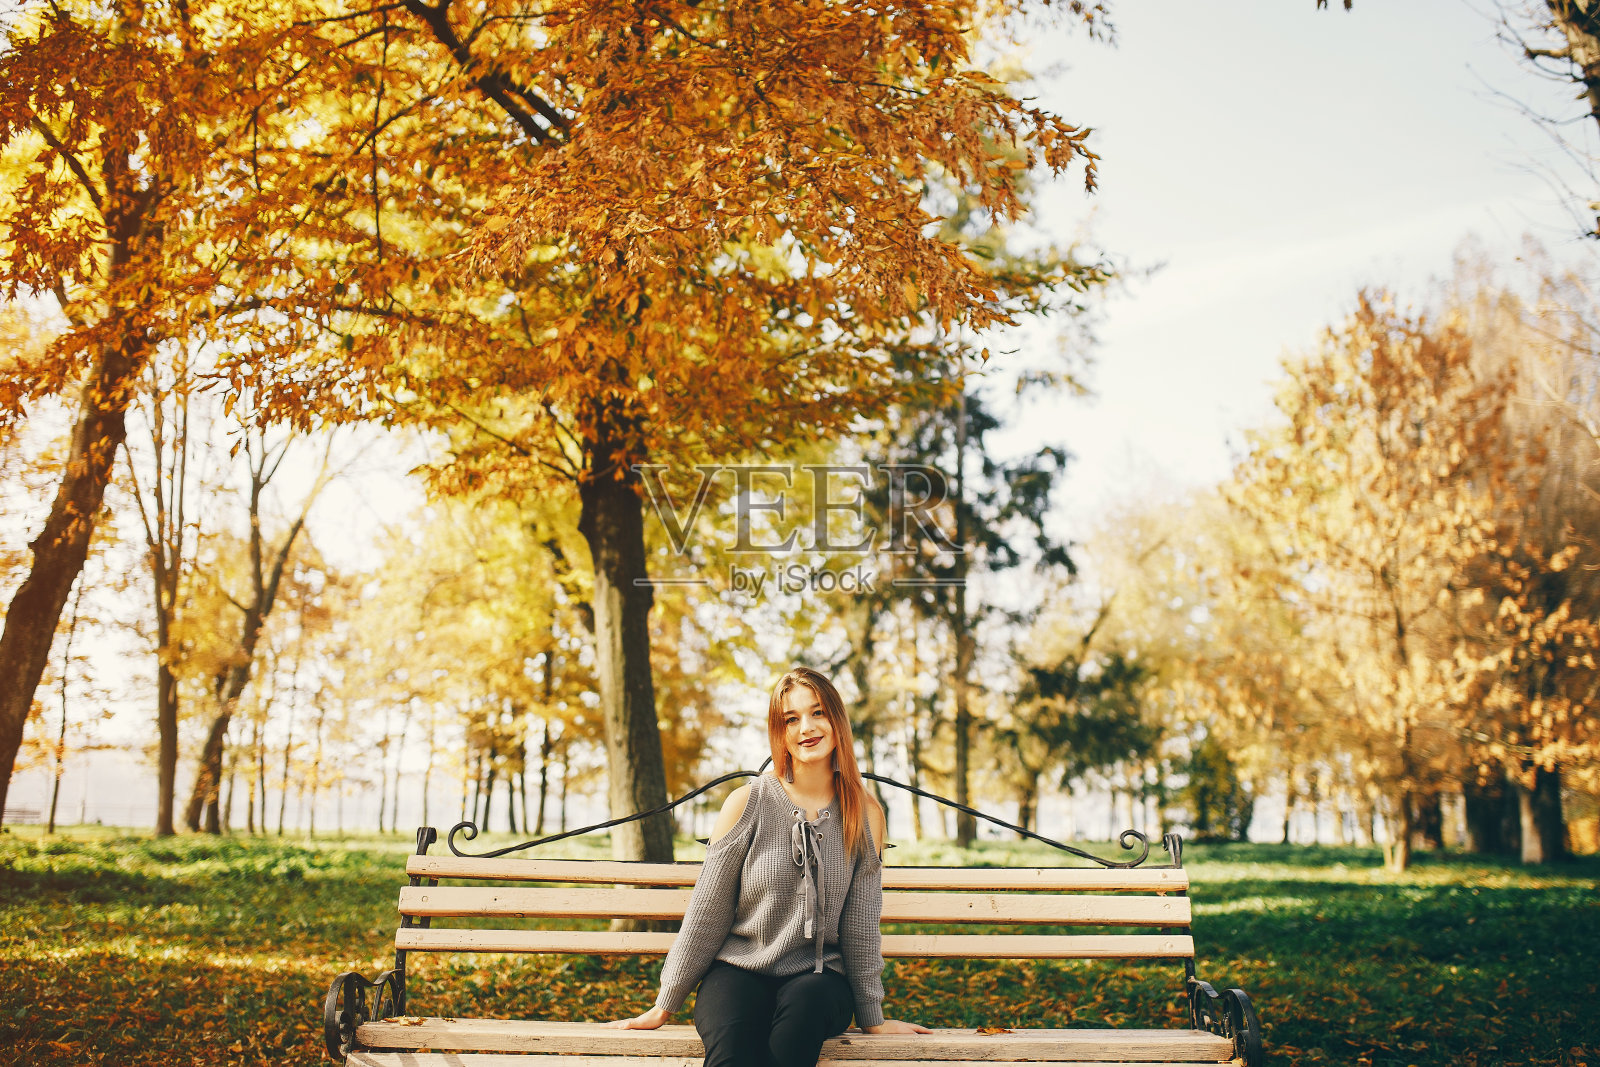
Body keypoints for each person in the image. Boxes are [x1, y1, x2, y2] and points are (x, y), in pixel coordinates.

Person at [607, 666, 930, 1066]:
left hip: (818, 978)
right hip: (738, 970)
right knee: (734, 1055)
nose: (806, 728)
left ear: (837, 720)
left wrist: (873, 1018)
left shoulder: (864, 814)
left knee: (796, 1030)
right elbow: (708, 914)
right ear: (779, 731)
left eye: (818, 712)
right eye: (791, 719)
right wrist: (665, 1003)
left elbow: (861, 924)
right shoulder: (747, 804)